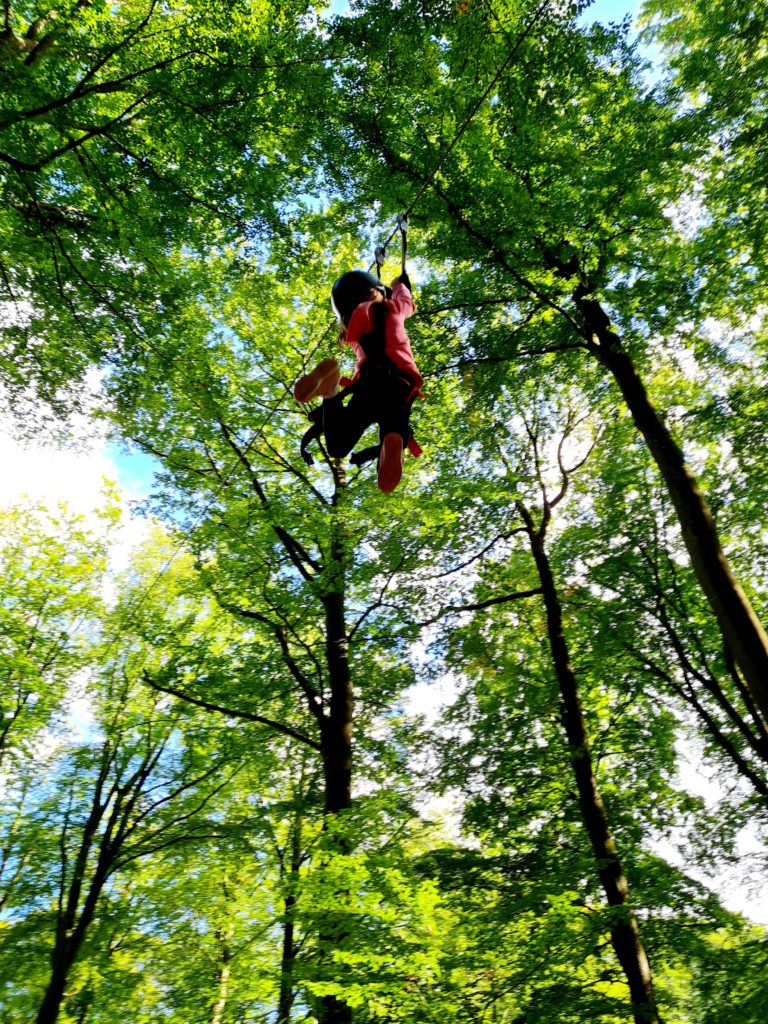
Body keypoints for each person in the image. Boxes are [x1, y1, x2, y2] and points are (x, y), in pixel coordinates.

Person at [293, 270, 423, 493]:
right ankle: (392, 438)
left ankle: (331, 388)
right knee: (395, 420)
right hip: (397, 383)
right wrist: (399, 284)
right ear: (377, 292)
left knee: (338, 444)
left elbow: (364, 312)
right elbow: (407, 302)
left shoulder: (351, 329)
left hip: (367, 387)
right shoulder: (394, 307)